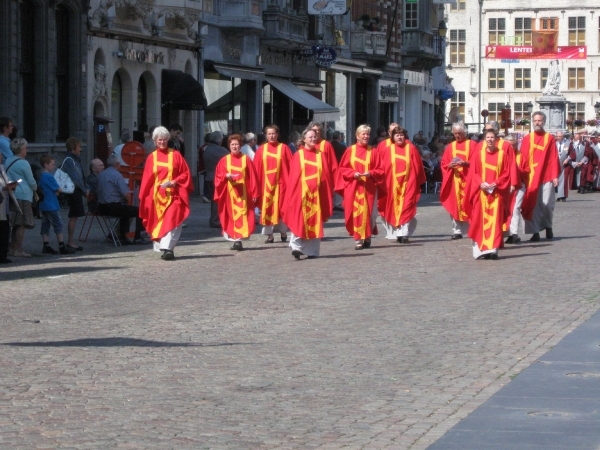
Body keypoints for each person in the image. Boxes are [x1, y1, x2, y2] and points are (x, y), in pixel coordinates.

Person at [139, 126, 193, 261]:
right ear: (155, 141)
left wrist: (175, 181)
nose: (162, 142)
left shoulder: (175, 155)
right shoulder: (152, 157)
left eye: (164, 140)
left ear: (168, 140)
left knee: (174, 220)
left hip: (174, 194)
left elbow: (185, 173)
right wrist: (144, 196)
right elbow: (147, 178)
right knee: (160, 222)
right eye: (159, 140)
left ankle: (168, 248)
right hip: (157, 197)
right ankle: (165, 248)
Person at [284, 128, 335, 259]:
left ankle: (312, 251)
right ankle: (296, 247)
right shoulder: (298, 155)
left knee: (314, 221)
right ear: (304, 139)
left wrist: (324, 191)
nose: (313, 139)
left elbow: (325, 176)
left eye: (314, 137)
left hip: (316, 195)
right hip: (302, 194)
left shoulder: (320, 155)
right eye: (310, 137)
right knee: (299, 220)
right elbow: (294, 178)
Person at [335, 124, 384, 250]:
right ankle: (359, 239)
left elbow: (381, 169)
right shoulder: (350, 151)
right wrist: (353, 173)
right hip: (354, 187)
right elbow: (343, 168)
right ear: (357, 136)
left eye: (368, 134)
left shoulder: (373, 151)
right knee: (355, 212)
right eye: (363, 134)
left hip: (369, 188)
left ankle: (367, 236)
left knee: (371, 214)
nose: (366, 136)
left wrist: (371, 173)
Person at [467, 128, 512, 260]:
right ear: (484, 140)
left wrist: (497, 182)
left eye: (492, 137)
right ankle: (482, 249)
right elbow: (474, 173)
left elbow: (506, 173)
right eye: (488, 138)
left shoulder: (502, 154)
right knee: (480, 221)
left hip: (496, 194)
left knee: (495, 221)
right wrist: (480, 183)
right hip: (482, 194)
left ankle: (493, 249)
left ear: (496, 139)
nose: (490, 140)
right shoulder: (478, 155)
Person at [377, 127, 426, 243]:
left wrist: (417, 182)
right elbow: (383, 167)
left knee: (406, 207)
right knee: (394, 209)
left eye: (402, 135)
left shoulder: (411, 148)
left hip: (408, 184)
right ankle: (398, 231)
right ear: (392, 137)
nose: (400, 137)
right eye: (397, 135)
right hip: (392, 185)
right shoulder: (388, 150)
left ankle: (403, 234)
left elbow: (418, 166)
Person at [214, 134, 259, 251]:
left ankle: (238, 240)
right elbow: (218, 176)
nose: (234, 146)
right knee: (231, 217)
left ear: (240, 146)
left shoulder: (246, 159)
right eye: (232, 144)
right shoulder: (224, 160)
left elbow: (253, 177)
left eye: (237, 144)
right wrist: (225, 176)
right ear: (229, 146)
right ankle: (235, 240)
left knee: (243, 216)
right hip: (229, 194)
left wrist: (254, 193)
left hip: (244, 193)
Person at [520, 111, 559, 241]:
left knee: (547, 203)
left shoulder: (550, 138)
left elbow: (553, 157)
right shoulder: (527, 139)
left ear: (544, 122)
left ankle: (548, 226)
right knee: (534, 205)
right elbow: (523, 158)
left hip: (546, 174)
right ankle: (535, 232)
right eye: (535, 120)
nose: (537, 123)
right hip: (532, 176)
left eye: (539, 120)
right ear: (532, 122)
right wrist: (523, 174)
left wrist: (555, 176)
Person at [97, 154, 147, 245]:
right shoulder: (117, 175)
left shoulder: (101, 174)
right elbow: (126, 194)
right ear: (117, 164)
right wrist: (127, 199)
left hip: (101, 208)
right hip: (113, 207)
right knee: (140, 210)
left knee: (125, 209)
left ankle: (123, 237)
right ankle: (138, 237)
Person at [253, 124, 292, 243]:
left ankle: (283, 231)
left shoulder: (284, 148)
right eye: (269, 133)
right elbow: (256, 168)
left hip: (281, 185)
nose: (271, 136)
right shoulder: (261, 149)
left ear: (277, 134)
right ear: (266, 135)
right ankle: (269, 235)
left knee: (281, 208)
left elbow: (291, 166)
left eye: (273, 133)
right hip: (266, 186)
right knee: (268, 210)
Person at [440, 123, 476, 240]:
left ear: (464, 133)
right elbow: (444, 163)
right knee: (455, 206)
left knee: (469, 205)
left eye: (459, 133)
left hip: (468, 181)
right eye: (455, 134)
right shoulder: (450, 147)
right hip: (455, 181)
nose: (457, 136)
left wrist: (465, 163)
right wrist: (449, 165)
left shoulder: (472, 145)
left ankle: (471, 228)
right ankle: (457, 230)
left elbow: (477, 162)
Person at [37, 154, 76, 255]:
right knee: (58, 224)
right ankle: (61, 245)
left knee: (45, 224)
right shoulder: (49, 176)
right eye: (52, 164)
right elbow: (58, 189)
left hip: (44, 203)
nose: (54, 166)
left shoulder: (41, 176)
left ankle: (46, 245)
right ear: (46, 165)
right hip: (51, 204)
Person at [5, 138, 37, 257]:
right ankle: (18, 249)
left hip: (12, 193)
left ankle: (12, 248)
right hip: (23, 194)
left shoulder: (8, 160)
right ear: (21, 149)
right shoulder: (24, 163)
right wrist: (35, 188)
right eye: (25, 148)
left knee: (15, 223)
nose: (26, 150)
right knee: (22, 223)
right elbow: (30, 180)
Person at [60, 137, 89, 251]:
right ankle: (70, 242)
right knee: (73, 216)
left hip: (75, 190)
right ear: (73, 148)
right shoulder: (69, 160)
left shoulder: (74, 159)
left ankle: (71, 241)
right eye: (78, 147)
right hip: (73, 191)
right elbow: (76, 178)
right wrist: (84, 190)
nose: (80, 149)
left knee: (75, 216)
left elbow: (80, 176)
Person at [203, 131, 229, 228]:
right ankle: (216, 220)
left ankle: (215, 219)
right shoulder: (222, 151)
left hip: (209, 176)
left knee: (214, 200)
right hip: (218, 178)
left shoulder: (207, 149)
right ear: (220, 140)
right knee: (218, 200)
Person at [504, 134, 527, 244]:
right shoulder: (502, 155)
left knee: (516, 208)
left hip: (519, 185)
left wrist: (518, 170)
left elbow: (527, 170)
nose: (512, 148)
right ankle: (506, 232)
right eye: (509, 146)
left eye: (514, 145)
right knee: (507, 209)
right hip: (506, 186)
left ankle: (514, 233)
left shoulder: (520, 155)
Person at [0, 152, 20, 263]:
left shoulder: (2, 168)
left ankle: (3, 255)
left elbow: (6, 182)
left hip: (4, 203)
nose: (1, 156)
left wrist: (11, 185)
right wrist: (3, 188)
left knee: (4, 229)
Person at [330, 130, 347, 212]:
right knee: (338, 185)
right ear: (339, 138)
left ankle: (332, 203)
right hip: (339, 168)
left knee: (331, 186)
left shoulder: (329, 145)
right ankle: (337, 203)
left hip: (329, 168)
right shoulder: (342, 147)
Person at [555, 131, 571, 201]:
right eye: (558, 136)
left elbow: (572, 153)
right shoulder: (555, 144)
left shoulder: (567, 144)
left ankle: (562, 195)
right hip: (556, 164)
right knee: (556, 180)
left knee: (563, 180)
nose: (559, 138)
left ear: (563, 136)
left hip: (564, 164)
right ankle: (558, 195)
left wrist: (567, 159)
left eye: (560, 136)